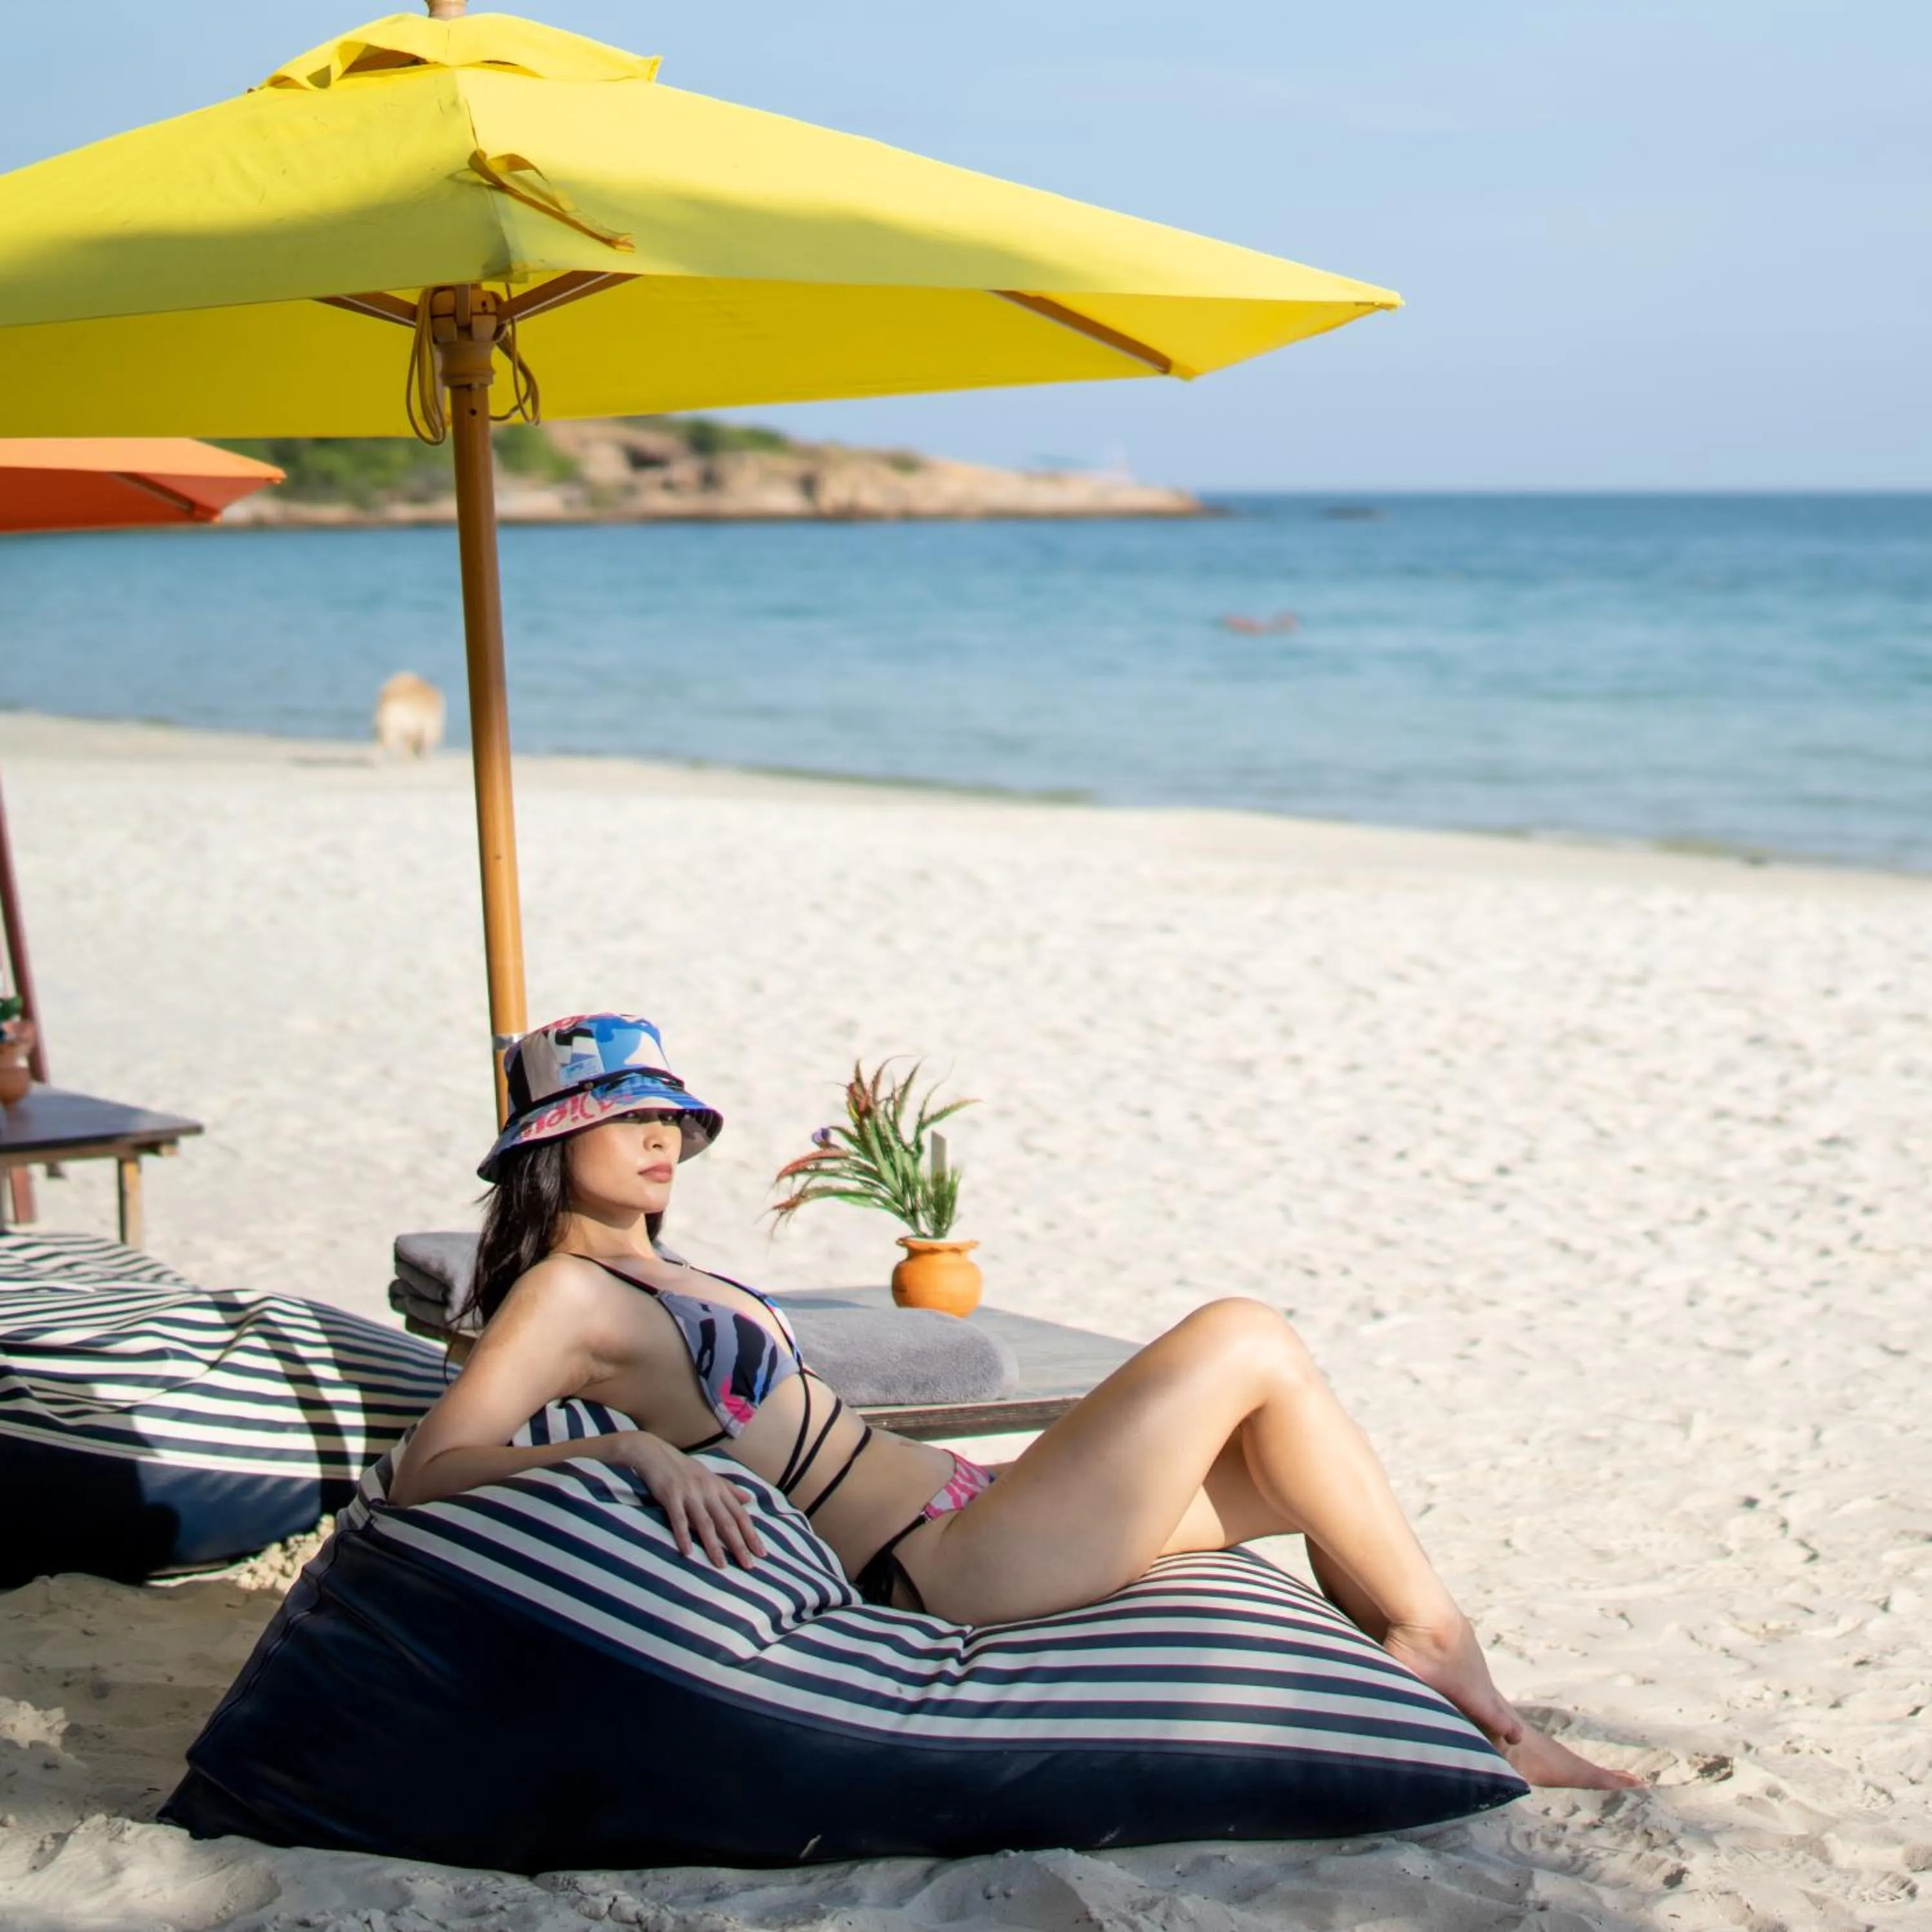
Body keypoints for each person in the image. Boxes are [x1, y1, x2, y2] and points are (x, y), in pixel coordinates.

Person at [396, 1012, 1638, 1791]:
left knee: (1292, 1450)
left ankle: (1454, 1700)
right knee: (1245, 1334)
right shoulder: (562, 1294)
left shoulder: (665, 1270)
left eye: (669, 1114)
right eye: (624, 1116)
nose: (660, 1136)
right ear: (553, 1141)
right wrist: (624, 1454)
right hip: (938, 1564)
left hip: (972, 1502)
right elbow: (429, 1469)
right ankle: (1445, 1661)